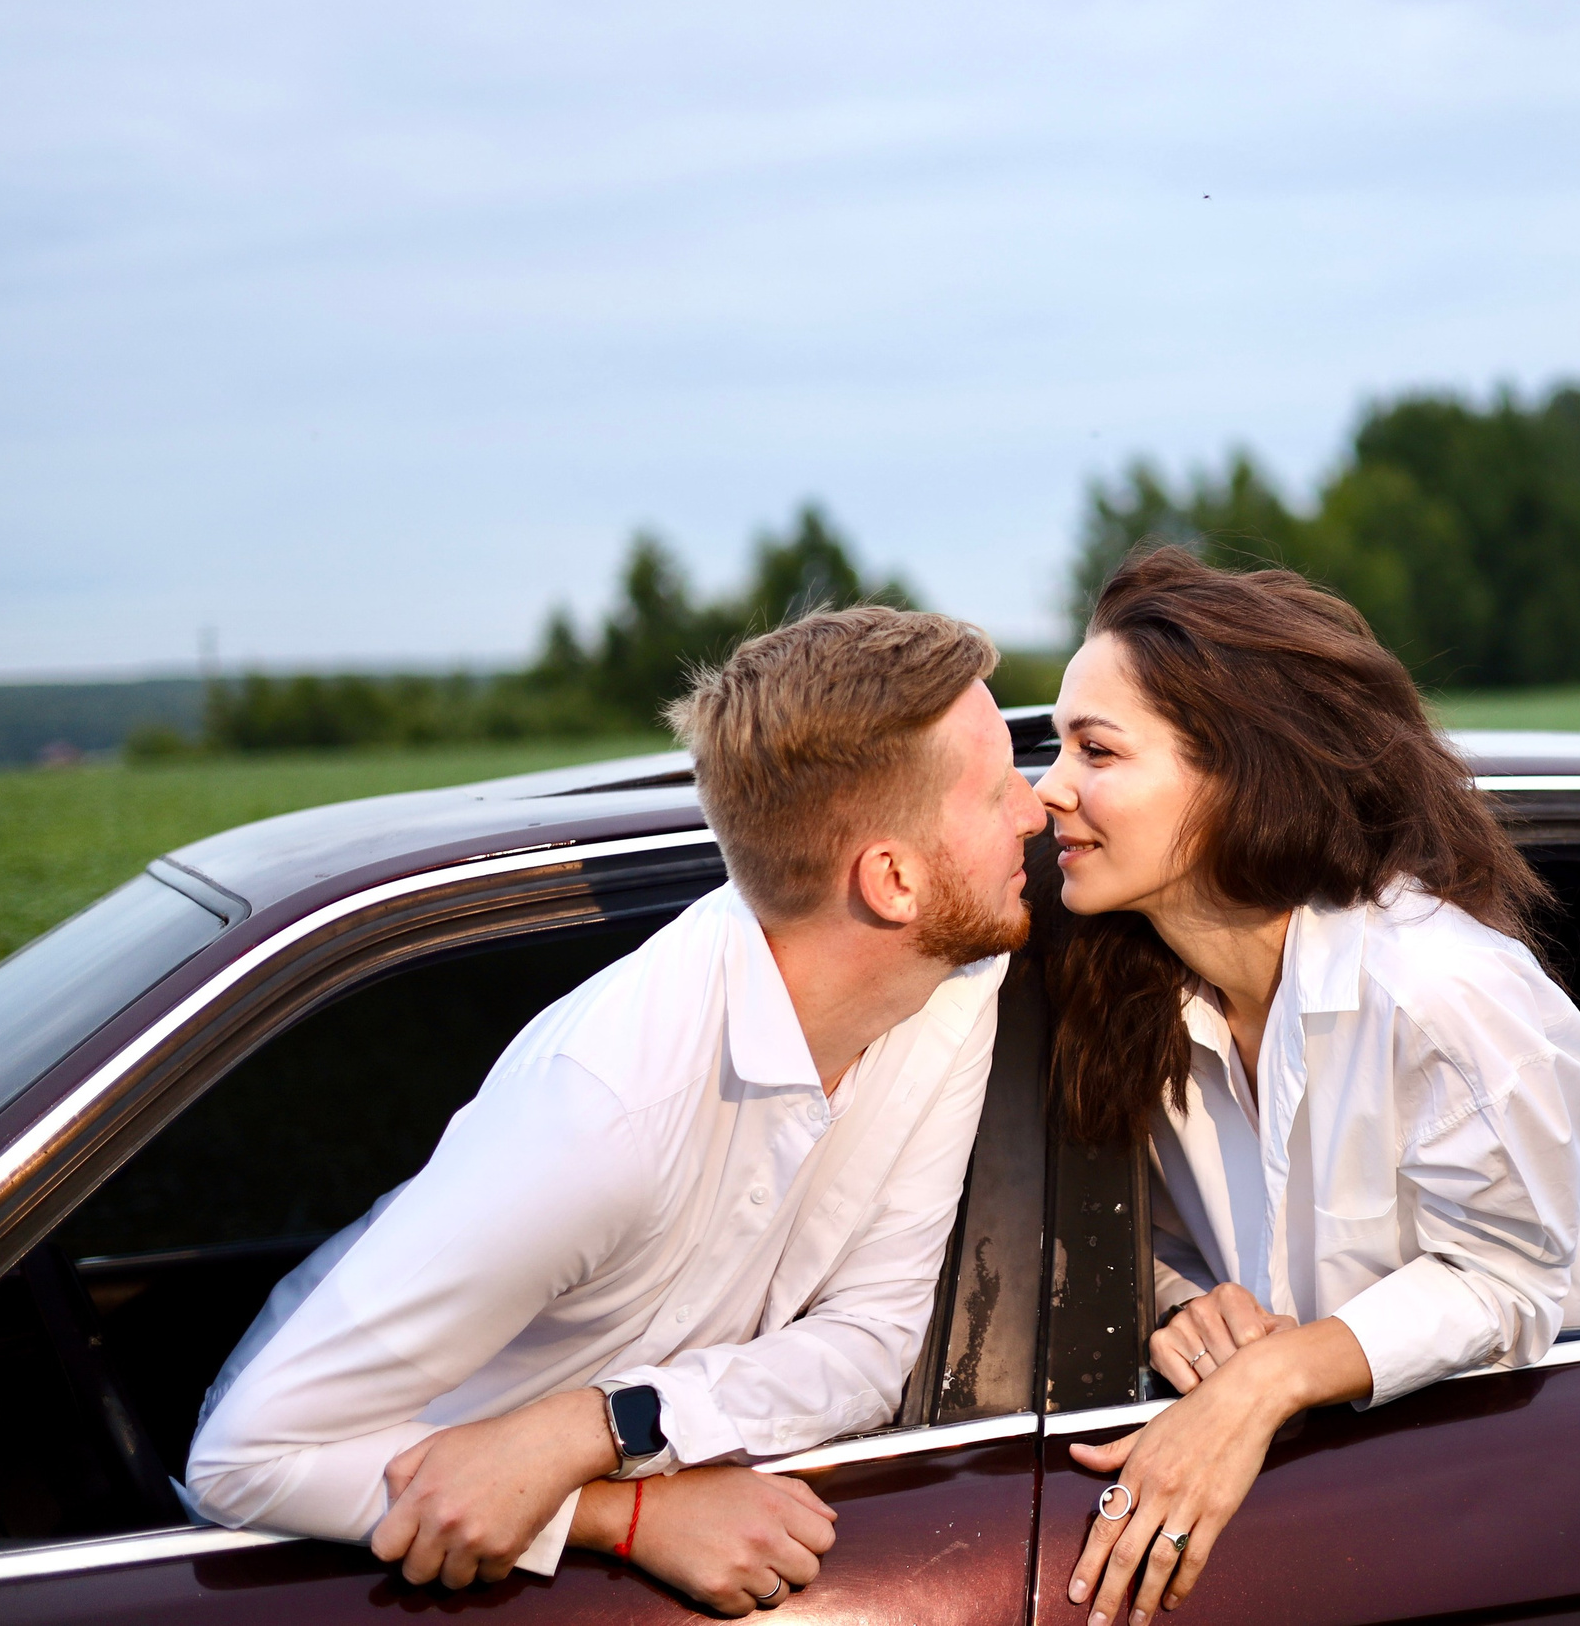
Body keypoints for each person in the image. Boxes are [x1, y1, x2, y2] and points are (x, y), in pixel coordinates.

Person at [183, 606, 1046, 1616]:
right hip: (326, 1548)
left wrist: (597, 1427)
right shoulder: (604, 1116)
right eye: (999, 788)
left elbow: (870, 1337)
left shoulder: (952, 987)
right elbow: (244, 1461)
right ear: (892, 880)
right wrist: (622, 1513)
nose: (1036, 810)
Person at [1040, 548, 1580, 1626]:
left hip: (1530, 1502)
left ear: (1237, 776)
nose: (1048, 788)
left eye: (1096, 749)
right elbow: (1147, 1233)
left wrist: (1263, 1382)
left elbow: (1509, 1283)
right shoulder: (1143, 996)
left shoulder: (1439, 990)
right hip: (1336, 1511)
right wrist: (1181, 1307)